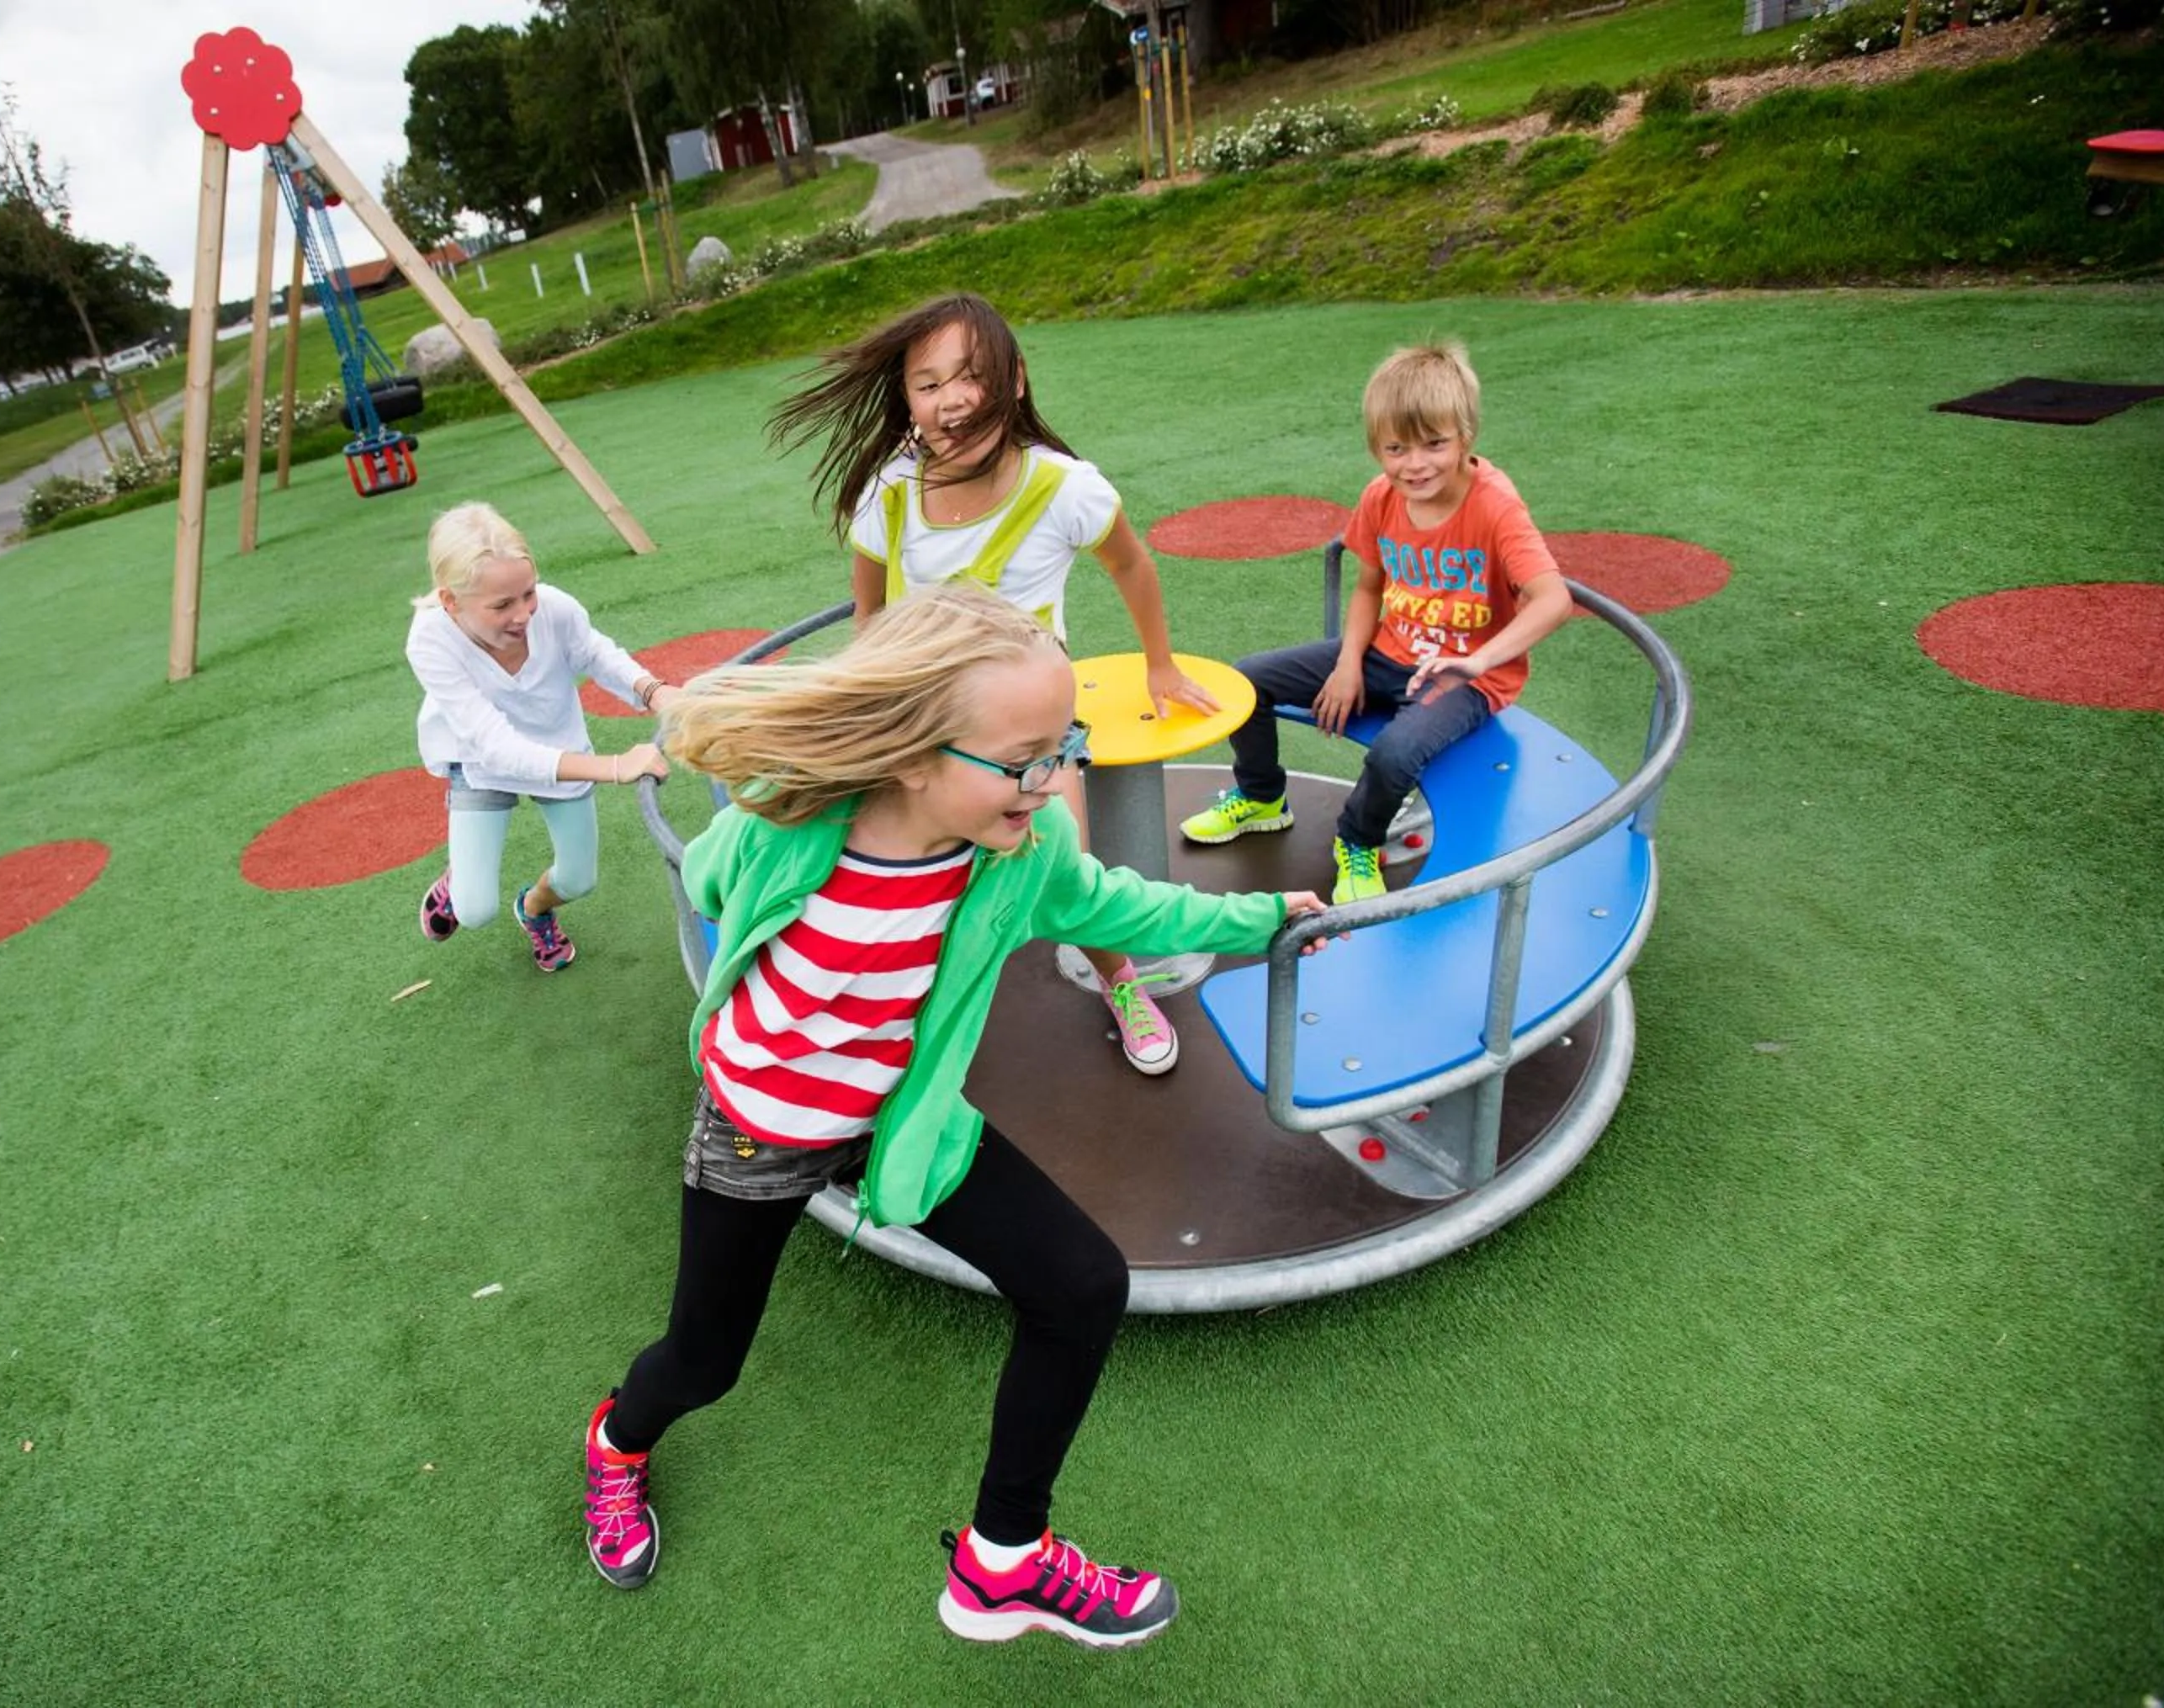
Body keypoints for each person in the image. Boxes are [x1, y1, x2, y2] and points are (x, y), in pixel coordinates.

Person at [578, 586, 1332, 1647]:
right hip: (762, 1124)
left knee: (1081, 1283)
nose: (1051, 780)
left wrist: (1264, 916)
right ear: (912, 751)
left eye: (1060, 747)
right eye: (1026, 758)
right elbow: (710, 876)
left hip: (900, 1119)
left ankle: (1003, 1561)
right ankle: (617, 1438)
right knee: (703, 1361)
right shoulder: (787, 822)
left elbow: (1135, 904)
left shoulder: (1020, 859)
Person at [768, 291, 1217, 1076]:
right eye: (929, 382)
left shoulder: (1062, 488)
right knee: (855, 852)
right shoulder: (892, 491)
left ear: (1014, 380)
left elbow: (1131, 564)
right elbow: (870, 614)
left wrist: (1160, 663)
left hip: (1029, 736)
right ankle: (862, 1015)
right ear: (907, 399)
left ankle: (1119, 981)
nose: (953, 398)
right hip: (925, 728)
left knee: (1065, 867)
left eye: (972, 374)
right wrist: (872, 715)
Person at [1180, 341, 1574, 900]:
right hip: (1388, 653)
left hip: (1465, 675)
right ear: (1376, 448)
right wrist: (1346, 664)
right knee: (1244, 681)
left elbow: (1552, 598)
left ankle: (1357, 840)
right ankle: (1263, 796)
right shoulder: (1382, 496)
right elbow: (1370, 585)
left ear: (1466, 436)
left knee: (1394, 753)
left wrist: (1478, 661)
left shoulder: (1495, 506)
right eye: (1396, 448)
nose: (1415, 464)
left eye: (1434, 444)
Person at [405, 501, 676, 970]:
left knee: (578, 880)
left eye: (528, 593)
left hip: (557, 741)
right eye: (502, 605)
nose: (524, 613)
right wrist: (614, 766)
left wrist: (654, 691)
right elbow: (498, 748)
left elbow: (596, 654)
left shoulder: (554, 609)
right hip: (481, 763)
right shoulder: (430, 640)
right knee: (474, 910)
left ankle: (535, 908)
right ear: (451, 602)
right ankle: (460, 882)